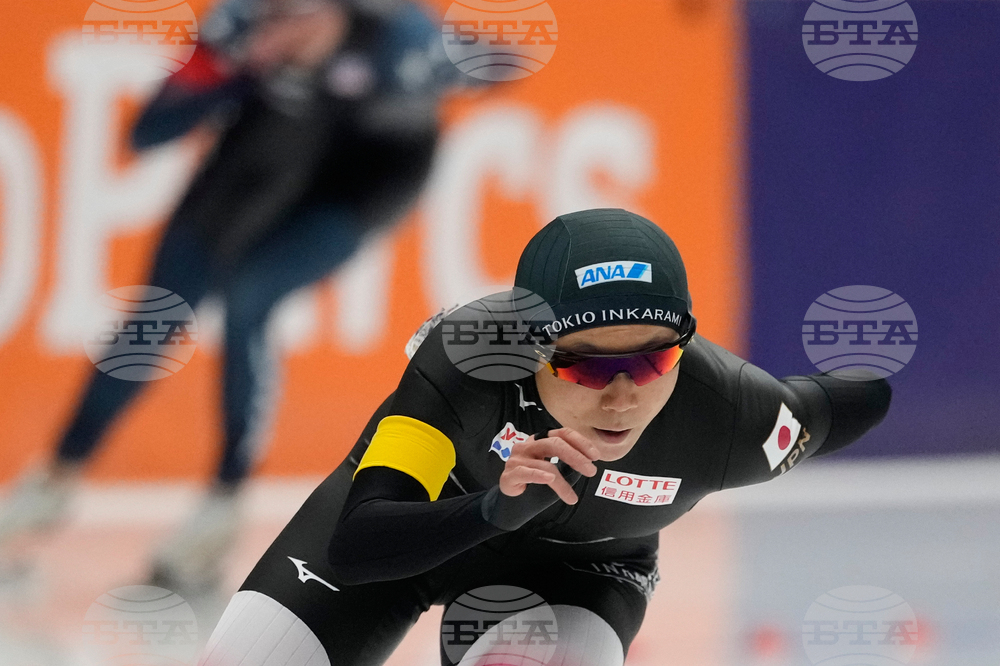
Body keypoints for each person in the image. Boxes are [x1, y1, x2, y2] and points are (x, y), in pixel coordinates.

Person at [196, 208, 893, 666]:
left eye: (653, 359)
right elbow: (356, 545)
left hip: (578, 576)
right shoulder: (468, 359)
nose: (622, 394)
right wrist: (494, 508)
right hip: (414, 525)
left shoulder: (731, 416)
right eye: (588, 364)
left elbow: (847, 400)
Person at [0, 0, 469, 588]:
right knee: (157, 313)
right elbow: (146, 131)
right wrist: (235, 73)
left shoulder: (395, 35)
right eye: (268, 14)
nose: (277, 27)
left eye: (294, 17)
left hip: (356, 182)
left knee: (250, 300)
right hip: (263, 158)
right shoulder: (237, 30)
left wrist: (404, 77)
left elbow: (494, 68)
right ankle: (53, 482)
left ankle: (222, 504)